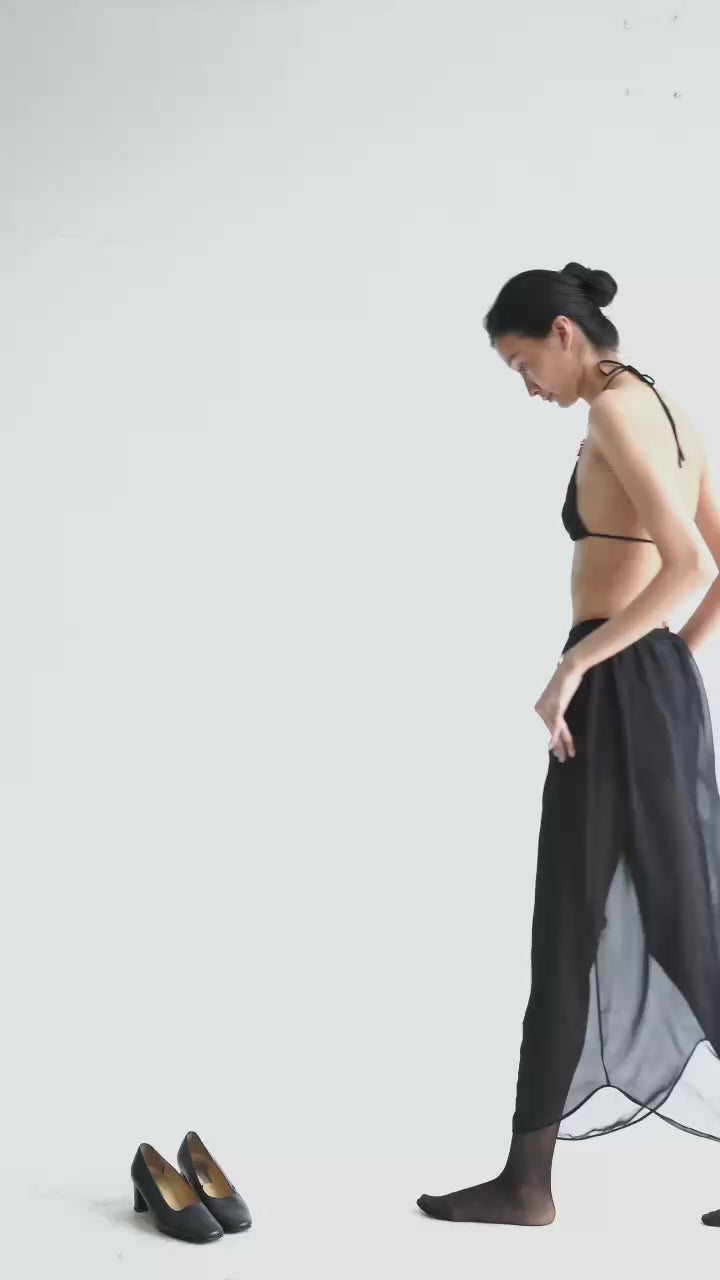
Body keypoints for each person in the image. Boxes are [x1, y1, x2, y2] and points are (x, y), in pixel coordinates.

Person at [415, 261, 720, 1227]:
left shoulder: (619, 413)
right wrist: (664, 665)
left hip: (619, 688)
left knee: (573, 923)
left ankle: (526, 1183)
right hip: (647, 686)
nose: (527, 387)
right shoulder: (668, 409)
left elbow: (692, 563)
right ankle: (526, 1178)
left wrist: (583, 665)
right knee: (678, 925)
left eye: (522, 365)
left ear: (562, 333)